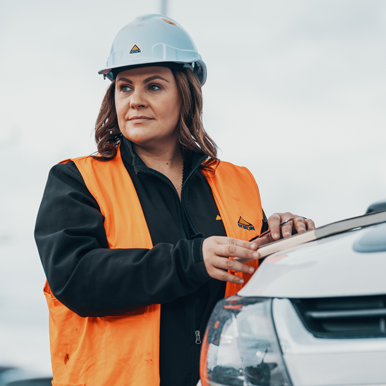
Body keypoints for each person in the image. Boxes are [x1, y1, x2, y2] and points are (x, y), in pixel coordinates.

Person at [34, 14, 315, 386]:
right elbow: (75, 279)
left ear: (187, 94)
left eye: (153, 86)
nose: (135, 101)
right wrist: (191, 260)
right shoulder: (76, 180)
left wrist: (282, 244)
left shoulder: (238, 182)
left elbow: (256, 287)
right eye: (124, 87)